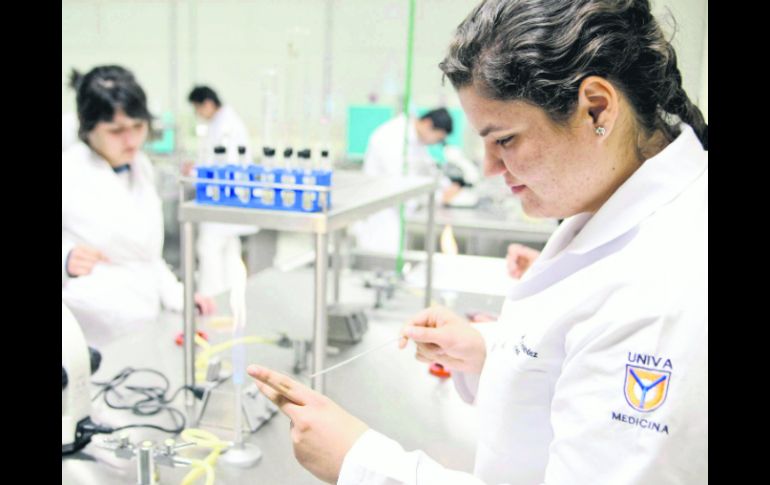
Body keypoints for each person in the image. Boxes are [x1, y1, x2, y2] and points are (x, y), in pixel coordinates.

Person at [248, 0, 708, 483]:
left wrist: (359, 463)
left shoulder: (666, 287)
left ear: (596, 107)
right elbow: (582, 366)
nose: (488, 167)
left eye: (504, 139)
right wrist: (489, 351)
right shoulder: (616, 205)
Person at [62, 65, 215, 346]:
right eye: (116, 130)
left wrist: (178, 294)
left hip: (142, 323)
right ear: (88, 128)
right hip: (86, 331)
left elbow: (146, 255)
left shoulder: (140, 166)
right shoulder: (69, 171)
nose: (132, 140)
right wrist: (65, 259)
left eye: (138, 126)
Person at [351, 108, 462, 254]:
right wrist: (440, 197)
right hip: (380, 214)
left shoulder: (415, 140)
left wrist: (446, 186)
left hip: (395, 212)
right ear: (428, 124)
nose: (435, 143)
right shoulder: (393, 136)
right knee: (381, 256)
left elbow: (427, 168)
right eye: (438, 138)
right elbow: (399, 182)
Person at [188, 85, 258, 296]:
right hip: (226, 199)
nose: (198, 114)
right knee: (228, 251)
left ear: (208, 104)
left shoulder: (226, 127)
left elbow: (223, 165)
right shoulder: (224, 123)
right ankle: (227, 299)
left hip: (221, 198)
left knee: (209, 248)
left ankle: (211, 299)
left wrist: (195, 172)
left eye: (198, 109)